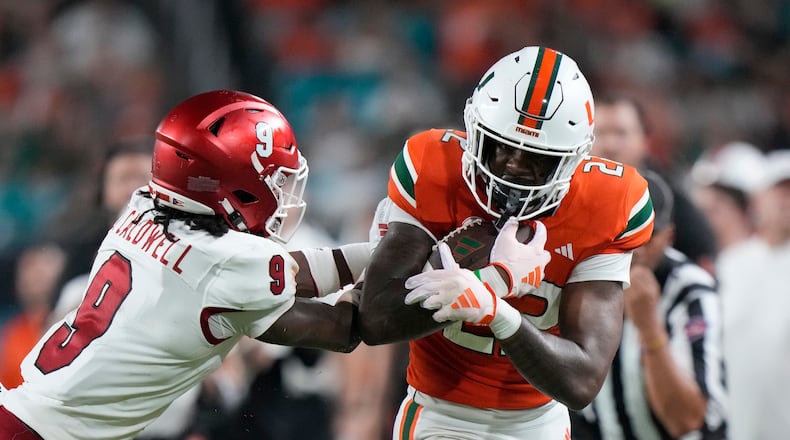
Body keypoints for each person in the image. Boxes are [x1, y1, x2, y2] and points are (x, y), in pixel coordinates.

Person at [0, 90, 366, 439]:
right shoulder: (220, 262)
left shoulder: (139, 208)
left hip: (25, 414)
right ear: (232, 184)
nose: (281, 192)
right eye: (273, 179)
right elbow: (335, 317)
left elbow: (294, 273)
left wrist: (380, 253)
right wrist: (400, 249)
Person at [358, 46, 655, 439]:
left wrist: (497, 312)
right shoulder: (435, 167)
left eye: (536, 157)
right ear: (474, 130)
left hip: (539, 422)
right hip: (438, 413)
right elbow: (376, 319)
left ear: (572, 159)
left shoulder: (609, 203)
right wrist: (492, 282)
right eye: (500, 147)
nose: (513, 165)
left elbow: (581, 381)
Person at [569, 170, 728, 439]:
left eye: (647, 237)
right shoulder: (580, 273)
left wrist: (649, 326)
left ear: (668, 237)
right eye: (624, 235)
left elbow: (685, 420)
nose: (633, 250)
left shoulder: (690, 289)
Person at [591, 93, 718, 274]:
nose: (610, 145)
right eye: (600, 132)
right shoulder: (561, 190)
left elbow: (703, 259)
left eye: (621, 133)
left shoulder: (669, 198)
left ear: (645, 140)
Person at [718, 149, 790, 440]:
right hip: (737, 419)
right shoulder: (731, 263)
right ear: (760, 199)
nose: (785, 203)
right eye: (779, 192)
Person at [688, 141, 765, 254]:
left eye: (713, 210)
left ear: (745, 211)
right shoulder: (699, 259)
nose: (704, 220)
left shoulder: (777, 260)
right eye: (701, 211)